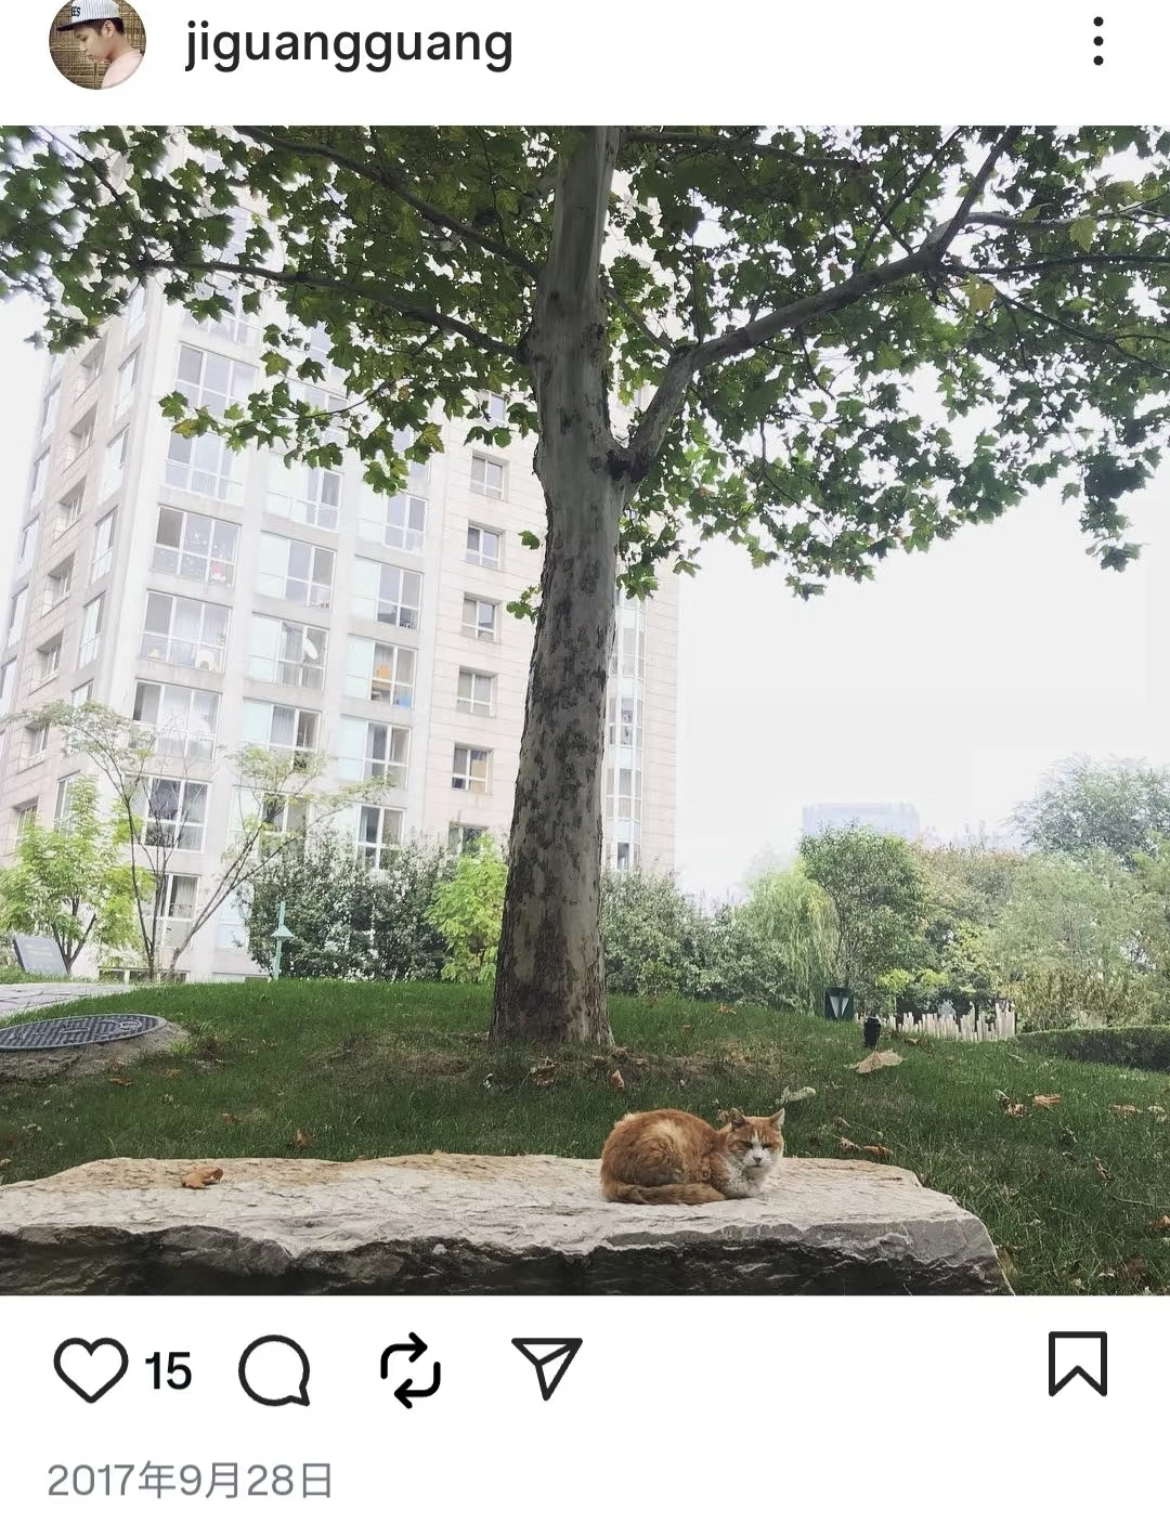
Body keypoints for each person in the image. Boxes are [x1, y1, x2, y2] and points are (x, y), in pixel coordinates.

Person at [56, 0, 142, 89]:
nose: (81, 48)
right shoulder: (128, 66)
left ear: (108, 29)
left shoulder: (123, 75)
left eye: (84, 39)